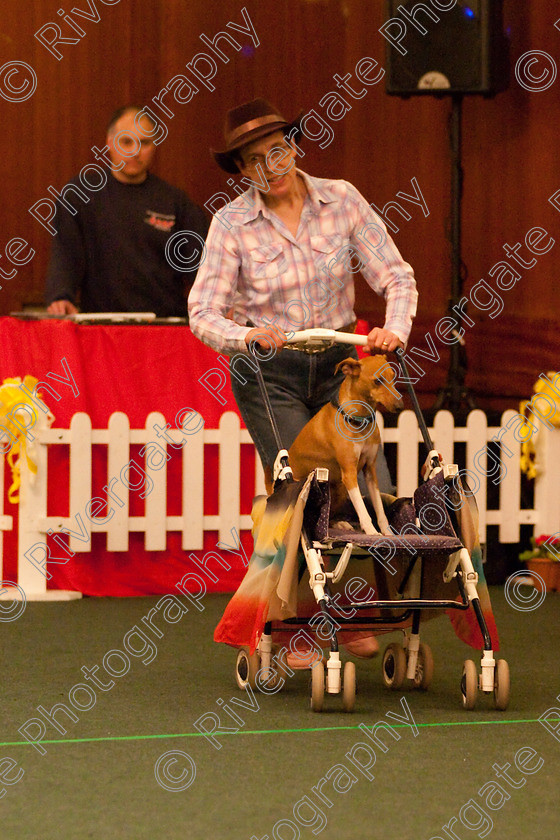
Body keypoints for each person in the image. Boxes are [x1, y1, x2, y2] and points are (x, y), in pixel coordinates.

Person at [188, 98, 418, 662]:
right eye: (254, 160)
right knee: (306, 491)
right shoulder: (231, 223)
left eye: (278, 149)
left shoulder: (341, 198)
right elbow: (202, 312)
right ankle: (305, 624)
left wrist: (393, 331)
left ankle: (357, 615)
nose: (271, 165)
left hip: (343, 367)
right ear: (242, 172)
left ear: (294, 145)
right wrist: (246, 336)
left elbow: (397, 275)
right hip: (275, 372)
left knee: (366, 487)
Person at [45, 106, 208, 317]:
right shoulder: (79, 195)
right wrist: (61, 295)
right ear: (109, 142)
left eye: (144, 142)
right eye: (126, 141)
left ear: (155, 146)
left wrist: (216, 306)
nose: (135, 151)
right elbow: (65, 254)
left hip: (163, 325)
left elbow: (203, 267)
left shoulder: (176, 202)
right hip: (101, 325)